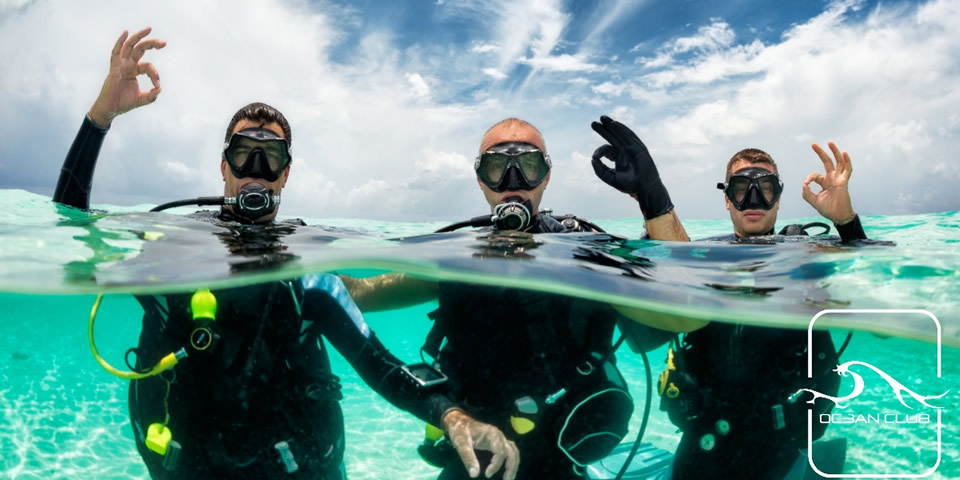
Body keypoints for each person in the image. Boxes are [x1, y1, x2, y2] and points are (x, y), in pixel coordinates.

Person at [53, 27, 518, 480]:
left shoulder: (307, 272)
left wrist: (450, 414)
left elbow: (377, 363)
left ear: (286, 174)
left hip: (299, 465)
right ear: (223, 166)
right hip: (188, 463)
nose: (256, 170)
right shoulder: (170, 247)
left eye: (270, 157)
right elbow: (71, 236)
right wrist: (99, 120)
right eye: (243, 154)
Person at [343, 117, 699, 480]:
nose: (513, 183)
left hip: (561, 456)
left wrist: (653, 197)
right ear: (481, 179)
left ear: (546, 176)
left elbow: (687, 313)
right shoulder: (454, 261)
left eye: (528, 166)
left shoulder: (589, 259)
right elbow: (356, 293)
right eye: (498, 168)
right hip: (473, 455)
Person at [590, 116, 862, 479]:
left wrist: (845, 221)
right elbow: (672, 265)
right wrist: (650, 193)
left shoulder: (807, 256)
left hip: (778, 433)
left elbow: (867, 277)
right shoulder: (703, 255)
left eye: (765, 188)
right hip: (704, 428)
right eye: (740, 188)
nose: (753, 199)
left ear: (778, 198)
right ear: (726, 200)